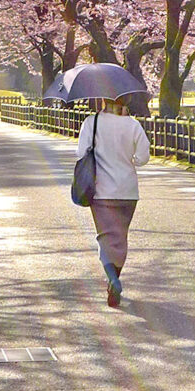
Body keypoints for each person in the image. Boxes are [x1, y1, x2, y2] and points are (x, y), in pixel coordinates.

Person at [76, 98, 150, 308]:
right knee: (120, 237)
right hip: (127, 190)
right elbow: (143, 157)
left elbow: (80, 153)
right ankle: (113, 280)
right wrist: (130, 160)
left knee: (106, 237)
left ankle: (113, 279)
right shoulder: (133, 124)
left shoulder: (92, 122)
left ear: (103, 101)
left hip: (101, 190)